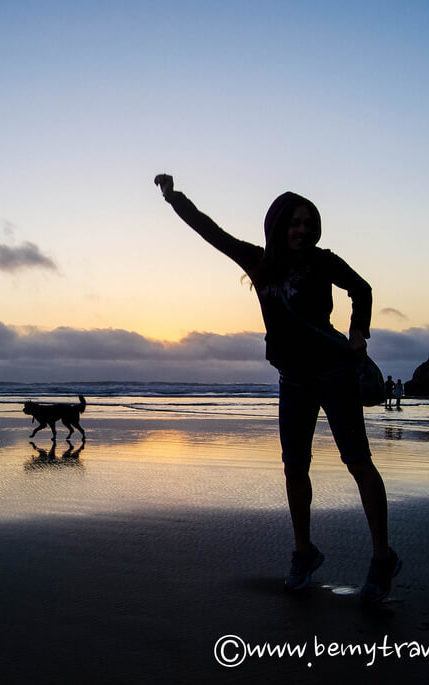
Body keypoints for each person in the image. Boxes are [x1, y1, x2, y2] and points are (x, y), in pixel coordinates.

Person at [154, 173, 401, 602]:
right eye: (295, 222)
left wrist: (358, 332)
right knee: (294, 468)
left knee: (358, 462)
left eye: (309, 223)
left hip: (334, 373)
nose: (302, 230)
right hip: (293, 379)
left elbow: (361, 289)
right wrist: (175, 198)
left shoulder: (324, 261)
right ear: (278, 224)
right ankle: (303, 552)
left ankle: (382, 558)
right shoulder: (258, 262)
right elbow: (211, 231)